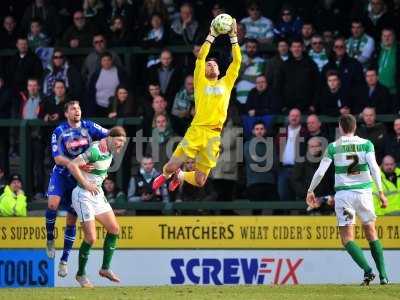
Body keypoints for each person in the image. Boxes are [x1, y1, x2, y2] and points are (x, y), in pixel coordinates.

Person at [152, 18, 241, 192]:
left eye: (214, 64)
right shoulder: (201, 82)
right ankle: (166, 175)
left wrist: (233, 37)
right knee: (169, 167)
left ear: (219, 70)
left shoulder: (226, 83)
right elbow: (201, 57)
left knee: (200, 180)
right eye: (208, 64)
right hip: (197, 130)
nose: (211, 65)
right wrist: (212, 35)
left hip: (214, 135)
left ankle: (181, 176)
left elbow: (236, 62)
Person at [306, 114, 389, 285]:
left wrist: (311, 190)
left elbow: (321, 172)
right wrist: (380, 192)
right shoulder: (367, 144)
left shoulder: (333, 147)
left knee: (347, 238)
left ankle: (367, 271)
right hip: (364, 193)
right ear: (355, 127)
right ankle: (384, 276)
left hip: (344, 196)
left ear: (340, 128)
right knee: (371, 233)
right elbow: (374, 168)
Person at [45, 101, 108, 278]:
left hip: (79, 179)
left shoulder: (89, 126)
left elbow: (110, 135)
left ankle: (64, 261)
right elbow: (58, 158)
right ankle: (50, 238)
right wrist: (77, 165)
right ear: (66, 113)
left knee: (71, 221)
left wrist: (104, 140)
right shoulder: (59, 130)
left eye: (79, 108)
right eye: (73, 109)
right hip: (62, 175)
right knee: (52, 205)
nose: (77, 111)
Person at [68, 126, 127, 287]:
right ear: (110, 138)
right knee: (91, 238)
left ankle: (105, 269)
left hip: (97, 194)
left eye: (123, 141)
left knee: (114, 229)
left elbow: (96, 166)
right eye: (119, 141)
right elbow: (73, 165)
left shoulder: (108, 149)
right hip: (83, 195)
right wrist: (86, 183)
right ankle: (80, 275)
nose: (121, 144)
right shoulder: (96, 150)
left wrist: (100, 175)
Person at [244, 121, 278, 215]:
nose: (259, 131)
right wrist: (267, 163)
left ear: (265, 131)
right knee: (256, 212)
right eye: (257, 129)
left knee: (278, 209)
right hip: (253, 182)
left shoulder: (271, 145)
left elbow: (275, 164)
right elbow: (252, 162)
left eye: (262, 129)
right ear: (253, 131)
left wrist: (264, 163)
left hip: (269, 181)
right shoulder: (247, 144)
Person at [86, 51, 128, 117]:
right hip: (98, 106)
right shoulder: (96, 74)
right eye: (104, 60)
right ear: (101, 62)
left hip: (115, 107)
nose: (106, 62)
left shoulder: (120, 72)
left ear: (112, 61)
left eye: (108, 60)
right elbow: (91, 91)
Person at [292, 137, 334, 201]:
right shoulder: (300, 162)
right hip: (305, 197)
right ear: (308, 147)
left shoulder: (326, 161)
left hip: (324, 197)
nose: (314, 149)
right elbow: (296, 181)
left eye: (316, 146)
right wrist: (308, 194)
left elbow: (330, 180)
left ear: (320, 147)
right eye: (311, 146)